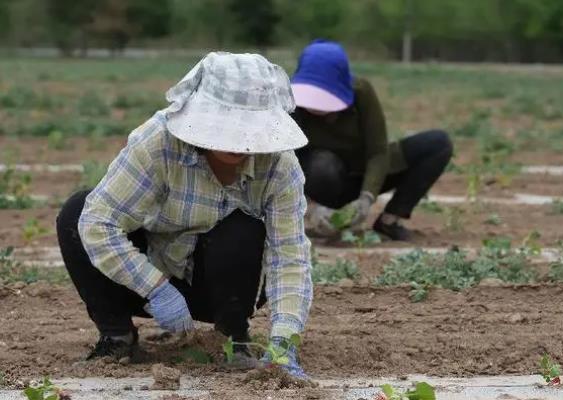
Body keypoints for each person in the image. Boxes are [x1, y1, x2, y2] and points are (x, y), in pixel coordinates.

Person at [56, 52, 313, 379]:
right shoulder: (158, 143)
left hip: (224, 286)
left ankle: (234, 337)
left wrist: (284, 341)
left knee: (241, 229)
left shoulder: (279, 166)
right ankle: (116, 335)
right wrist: (156, 287)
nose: (238, 141)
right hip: (146, 280)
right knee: (77, 212)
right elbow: (97, 223)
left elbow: (290, 257)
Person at [291, 40, 453, 241]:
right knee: (322, 163)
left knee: (437, 144)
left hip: (362, 176)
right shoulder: (289, 104)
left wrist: (367, 197)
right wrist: (309, 206)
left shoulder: (361, 92)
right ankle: (324, 219)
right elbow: (284, 163)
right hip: (321, 178)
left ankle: (390, 220)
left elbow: (378, 151)